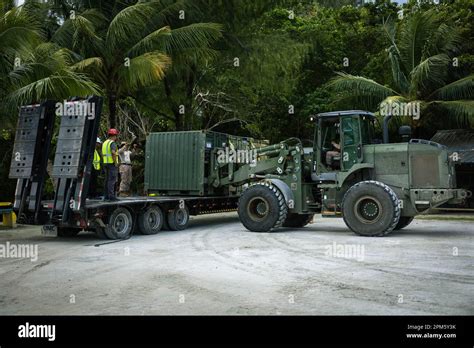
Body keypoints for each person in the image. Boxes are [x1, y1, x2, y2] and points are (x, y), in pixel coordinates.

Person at [102, 129, 120, 201]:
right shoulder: (112, 143)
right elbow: (113, 153)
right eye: (116, 135)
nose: (116, 137)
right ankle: (111, 197)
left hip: (106, 163)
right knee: (112, 180)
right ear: (114, 136)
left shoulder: (105, 143)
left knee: (107, 180)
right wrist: (115, 162)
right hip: (112, 163)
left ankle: (106, 196)